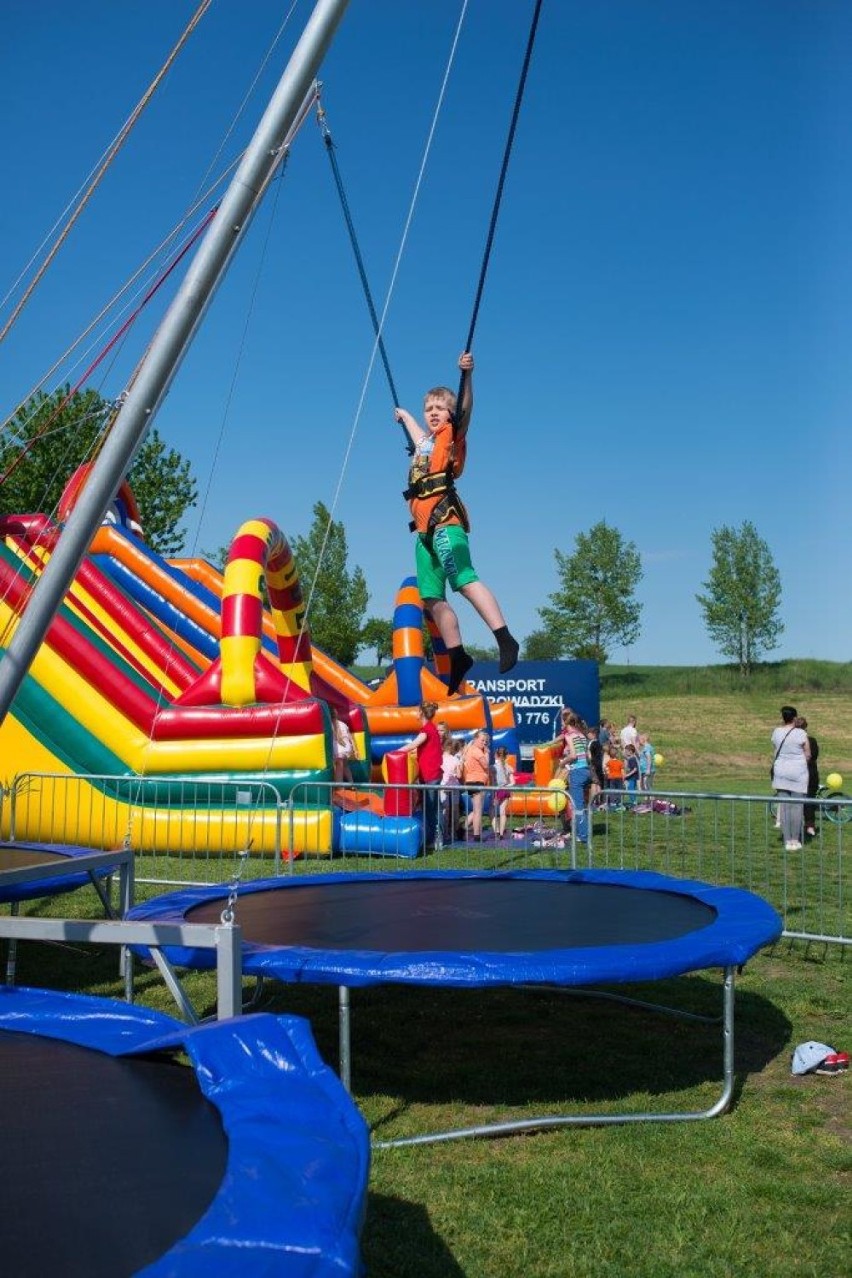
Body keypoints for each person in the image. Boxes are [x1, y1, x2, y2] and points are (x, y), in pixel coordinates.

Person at [395, 352, 519, 694]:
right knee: (431, 598)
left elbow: (465, 411)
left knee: (463, 581)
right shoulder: (424, 445)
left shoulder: (453, 437)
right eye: (428, 409)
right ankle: (458, 655)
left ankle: (504, 638)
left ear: (449, 414)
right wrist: (405, 415)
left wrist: (468, 377)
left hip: (445, 523)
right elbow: (419, 434)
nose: (433, 413)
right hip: (423, 535)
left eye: (440, 408)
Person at [400, 701, 444, 850]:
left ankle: (437, 839)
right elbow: (421, 749)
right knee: (429, 807)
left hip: (431, 774)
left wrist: (395, 752)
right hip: (430, 774)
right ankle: (433, 838)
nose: (416, 714)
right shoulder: (430, 729)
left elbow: (413, 745)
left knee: (431, 808)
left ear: (421, 713)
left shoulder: (427, 730)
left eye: (417, 711)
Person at [771, 705, 810, 851]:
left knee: (785, 807)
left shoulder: (776, 732)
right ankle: (795, 839)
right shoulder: (801, 733)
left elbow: (775, 748)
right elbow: (808, 754)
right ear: (794, 718)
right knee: (797, 807)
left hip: (781, 771)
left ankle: (787, 840)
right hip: (797, 773)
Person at [562, 713, 591, 842]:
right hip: (586, 770)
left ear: (566, 723)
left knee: (577, 805)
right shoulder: (582, 736)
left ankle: (583, 835)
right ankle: (581, 831)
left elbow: (573, 755)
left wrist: (563, 762)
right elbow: (587, 756)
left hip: (577, 772)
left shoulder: (569, 736)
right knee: (582, 804)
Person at [460, 729, 490, 841]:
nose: (484, 743)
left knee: (477, 808)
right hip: (477, 781)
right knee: (478, 810)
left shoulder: (469, 750)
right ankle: (477, 835)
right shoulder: (477, 751)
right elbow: (486, 765)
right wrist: (486, 753)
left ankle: (463, 827)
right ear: (475, 739)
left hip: (471, 781)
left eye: (486, 741)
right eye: (482, 740)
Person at [795, 716, 820, 838]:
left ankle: (796, 827)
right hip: (811, 774)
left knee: (796, 801)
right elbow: (814, 756)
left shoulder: (794, 741)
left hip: (800, 774)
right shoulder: (812, 740)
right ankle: (810, 826)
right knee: (809, 799)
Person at [440, 734, 463, 841]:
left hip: (443, 786)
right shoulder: (455, 760)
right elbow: (459, 775)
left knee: (445, 810)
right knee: (454, 810)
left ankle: (445, 833)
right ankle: (454, 832)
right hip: (454, 786)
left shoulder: (439, 759)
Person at [491, 745, 514, 840]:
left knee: (492, 812)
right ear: (506, 755)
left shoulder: (493, 767)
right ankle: (501, 833)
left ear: (495, 755)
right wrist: (505, 786)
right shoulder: (509, 767)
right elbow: (513, 782)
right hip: (505, 791)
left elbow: (492, 781)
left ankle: (496, 831)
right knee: (503, 813)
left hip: (496, 791)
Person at [329, 705, 355, 784]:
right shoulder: (343, 724)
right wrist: (354, 749)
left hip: (338, 749)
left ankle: (339, 786)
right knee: (345, 765)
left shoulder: (330, 725)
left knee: (338, 766)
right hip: (346, 748)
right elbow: (350, 737)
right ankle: (352, 783)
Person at [587, 724, 605, 807]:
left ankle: (593, 802)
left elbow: (590, 756)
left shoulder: (592, 743)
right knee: (598, 783)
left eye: (588, 733)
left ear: (593, 734)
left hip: (593, 765)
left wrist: (588, 762)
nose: (587, 735)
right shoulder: (598, 743)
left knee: (594, 783)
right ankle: (599, 800)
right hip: (599, 765)